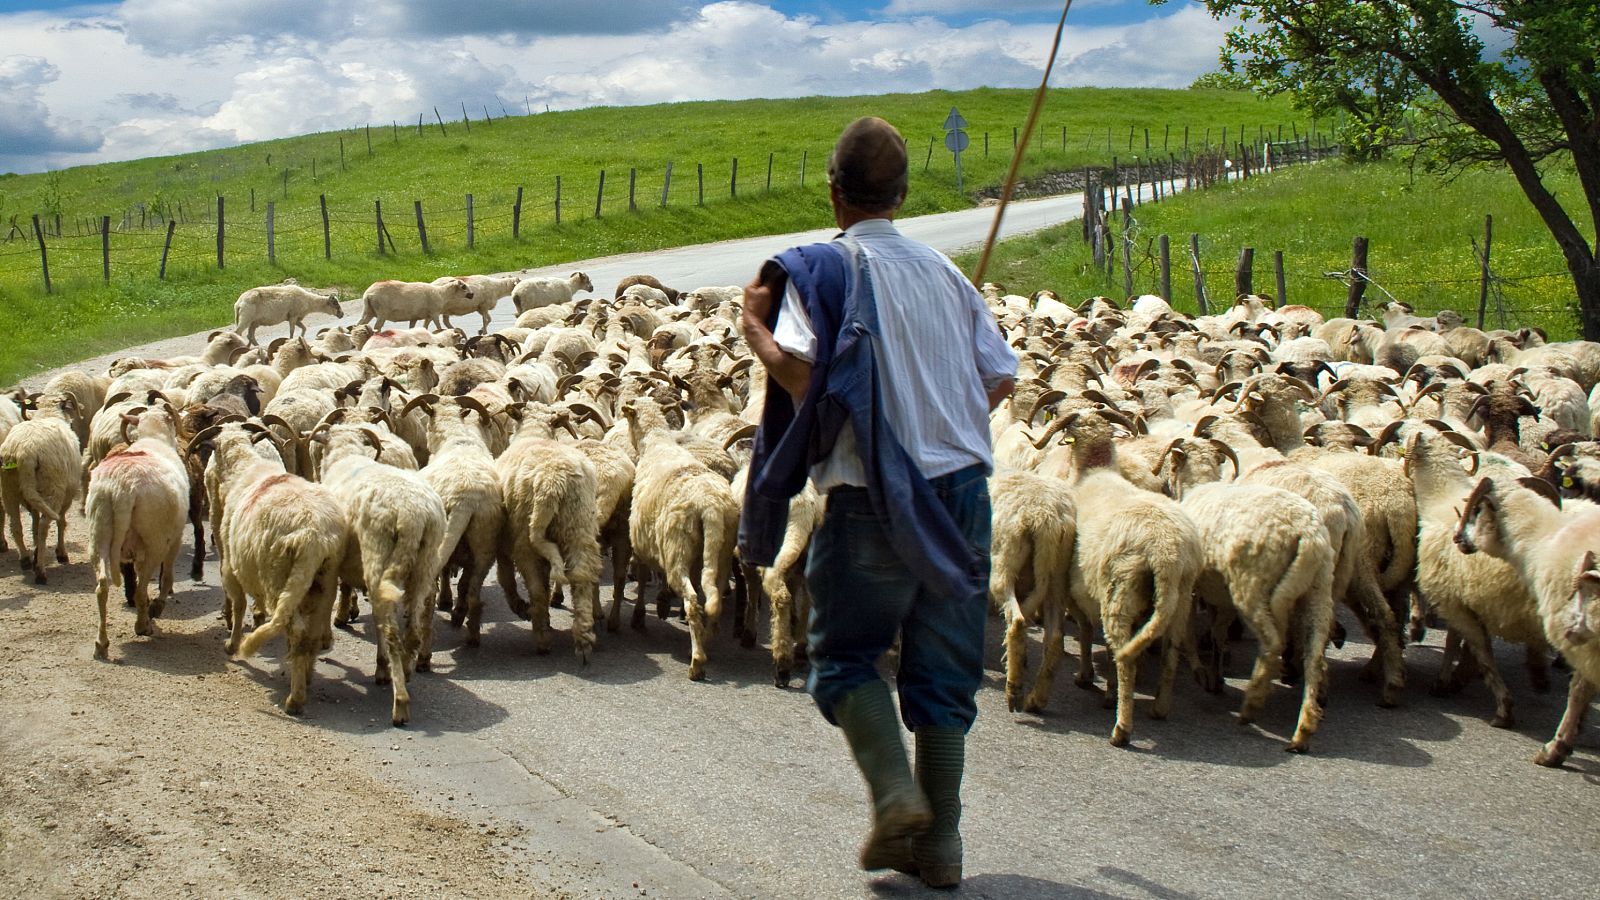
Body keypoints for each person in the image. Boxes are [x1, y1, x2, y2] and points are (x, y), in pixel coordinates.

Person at [737, 116, 1016, 889]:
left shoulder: (828, 272)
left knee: (845, 659)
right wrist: (942, 421)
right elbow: (1000, 375)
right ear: (902, 195)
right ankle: (943, 847)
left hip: (870, 494)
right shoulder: (945, 272)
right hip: (961, 489)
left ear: (834, 194)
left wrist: (755, 321)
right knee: (946, 672)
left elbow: (798, 375)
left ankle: (896, 797)